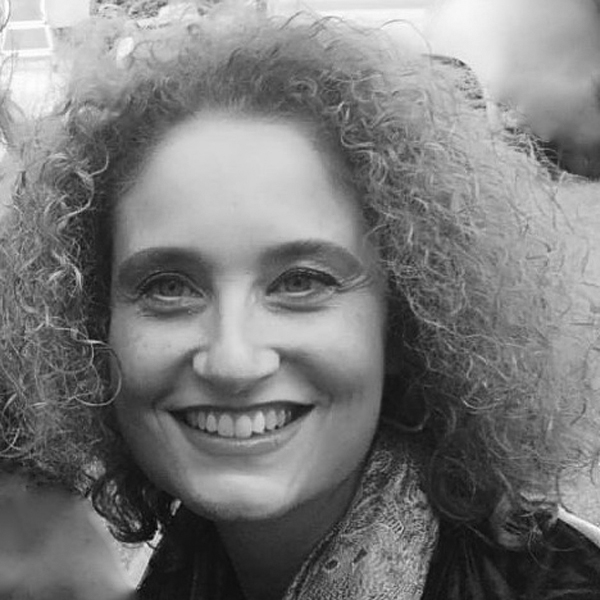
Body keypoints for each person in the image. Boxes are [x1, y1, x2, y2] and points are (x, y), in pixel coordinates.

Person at [0, 8, 599, 599]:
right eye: (169, 287)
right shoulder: (186, 564)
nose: (233, 361)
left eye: (301, 282)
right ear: (92, 328)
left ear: (405, 321)